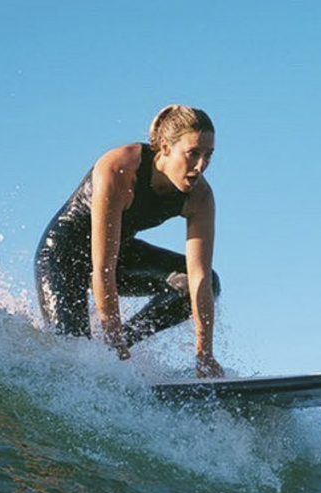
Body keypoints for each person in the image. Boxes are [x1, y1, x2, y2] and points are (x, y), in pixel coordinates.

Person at [34, 105, 223, 377]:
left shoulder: (200, 197)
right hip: (63, 256)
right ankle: (111, 347)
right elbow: (103, 269)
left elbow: (200, 278)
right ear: (166, 147)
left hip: (119, 255)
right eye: (193, 153)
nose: (201, 165)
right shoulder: (120, 168)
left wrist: (205, 355)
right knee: (73, 357)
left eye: (209, 155)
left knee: (197, 284)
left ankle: (117, 345)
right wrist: (115, 343)